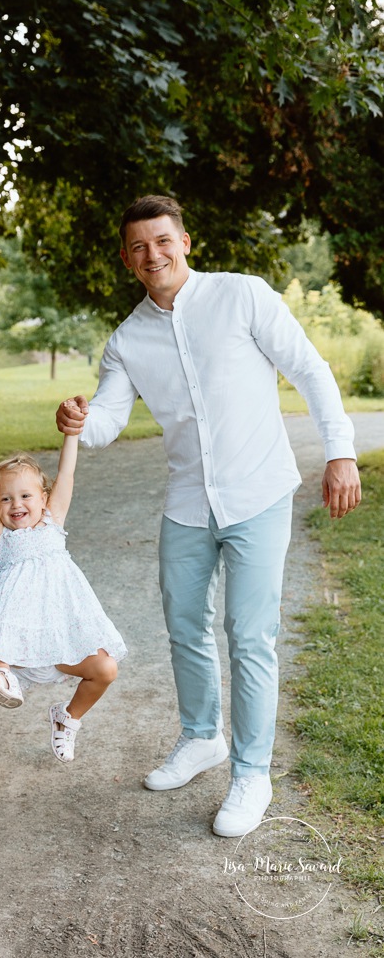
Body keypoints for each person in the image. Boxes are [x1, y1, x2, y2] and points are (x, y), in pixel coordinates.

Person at [56, 195, 361, 836]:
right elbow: (110, 419)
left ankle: (252, 773)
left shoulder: (242, 295)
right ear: (126, 259)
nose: (153, 255)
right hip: (188, 504)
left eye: (163, 241)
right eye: (139, 247)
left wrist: (341, 453)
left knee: (250, 638)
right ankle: (202, 739)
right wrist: (82, 422)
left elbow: (308, 368)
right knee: (184, 626)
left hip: (260, 494)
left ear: (185, 241)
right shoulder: (126, 340)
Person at [0, 424, 127, 762]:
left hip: (58, 637)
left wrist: (71, 434)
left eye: (26, 496)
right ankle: (3, 675)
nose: (16, 504)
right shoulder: (1, 536)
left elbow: (66, 474)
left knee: (106, 670)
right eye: (6, 498)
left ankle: (67, 718)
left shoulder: (53, 521)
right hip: (15, 641)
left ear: (44, 498)